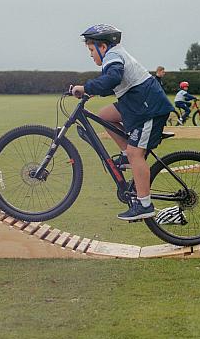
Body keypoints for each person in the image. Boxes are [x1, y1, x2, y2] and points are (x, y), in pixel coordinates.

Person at [70, 24, 174, 221]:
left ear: (103, 47)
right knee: (104, 115)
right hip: (135, 104)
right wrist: (91, 91)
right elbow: (114, 84)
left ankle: (144, 204)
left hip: (148, 108)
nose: (91, 55)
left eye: (92, 50)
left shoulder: (113, 56)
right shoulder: (115, 55)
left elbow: (113, 78)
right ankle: (126, 155)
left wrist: (85, 87)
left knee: (137, 153)